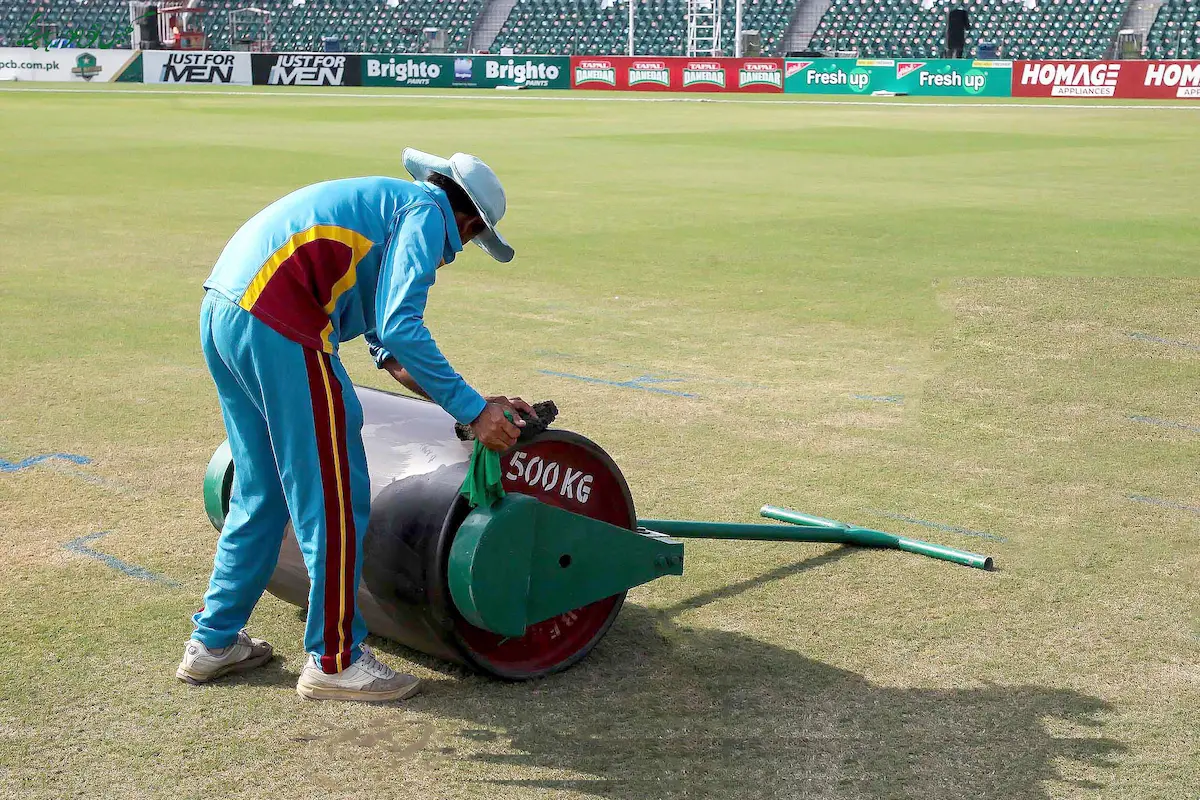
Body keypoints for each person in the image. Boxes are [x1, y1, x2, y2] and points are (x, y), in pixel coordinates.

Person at [176, 149, 531, 702]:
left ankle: (213, 642)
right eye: (466, 244)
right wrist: (473, 412)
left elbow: (390, 351)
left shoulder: (384, 209)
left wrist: (476, 404)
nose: (453, 259)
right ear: (465, 222)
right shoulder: (424, 213)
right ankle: (335, 660)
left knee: (262, 488)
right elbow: (403, 327)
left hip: (226, 308)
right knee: (335, 497)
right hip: (282, 320)